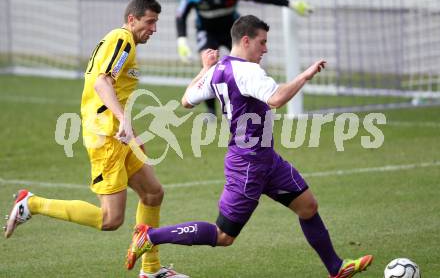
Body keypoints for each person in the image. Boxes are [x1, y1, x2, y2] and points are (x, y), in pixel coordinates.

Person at [125, 15, 373, 278]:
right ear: (246, 40)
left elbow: (186, 100)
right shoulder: (248, 71)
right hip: (248, 164)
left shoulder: (219, 69)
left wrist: (204, 68)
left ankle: (336, 268)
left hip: (266, 159)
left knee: (308, 207)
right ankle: (150, 235)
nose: (265, 49)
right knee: (224, 235)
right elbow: (276, 99)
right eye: (262, 42)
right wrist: (306, 75)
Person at [3, 0, 188, 278]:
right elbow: (103, 82)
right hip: (106, 137)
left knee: (153, 193)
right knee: (110, 219)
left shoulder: (122, 42)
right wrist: (123, 120)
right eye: (150, 22)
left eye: (156, 23)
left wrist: (132, 132)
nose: (154, 29)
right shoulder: (123, 39)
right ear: (132, 19)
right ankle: (31, 204)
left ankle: (151, 270)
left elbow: (111, 88)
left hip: (118, 135)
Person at [176, 0, 313, 117]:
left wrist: (290, 4)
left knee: (247, 64)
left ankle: (259, 103)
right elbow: (181, 15)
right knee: (207, 64)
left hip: (233, 31)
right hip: (207, 32)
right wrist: (182, 40)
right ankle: (211, 111)